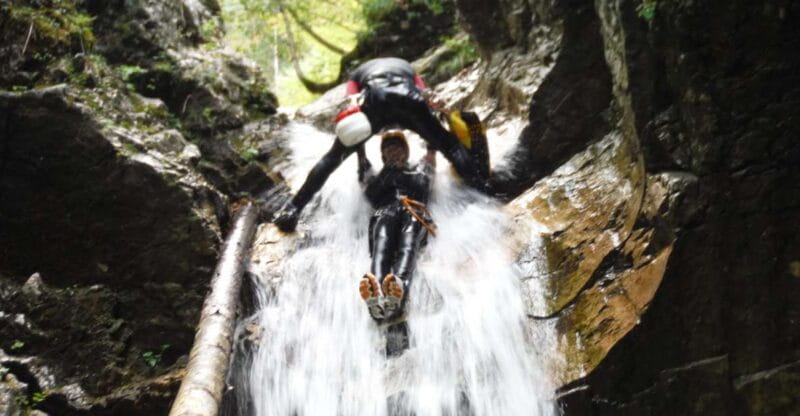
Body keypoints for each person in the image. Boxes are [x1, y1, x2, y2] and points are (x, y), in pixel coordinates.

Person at [272, 57, 487, 232]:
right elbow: (425, 96)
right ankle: (481, 188)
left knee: (331, 159)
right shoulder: (408, 68)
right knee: (451, 146)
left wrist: (360, 157)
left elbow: (353, 102)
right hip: (410, 100)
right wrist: (434, 138)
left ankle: (293, 209)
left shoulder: (357, 75)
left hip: (376, 103)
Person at [357, 131, 437, 321]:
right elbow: (364, 179)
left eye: (398, 148)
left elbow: (431, 160)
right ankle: (376, 296)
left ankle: (398, 292)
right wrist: (359, 150)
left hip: (414, 211)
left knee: (408, 245)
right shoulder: (378, 177)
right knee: (381, 247)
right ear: (383, 155)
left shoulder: (418, 170)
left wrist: (431, 135)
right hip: (384, 213)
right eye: (389, 148)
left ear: (406, 152)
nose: (394, 151)